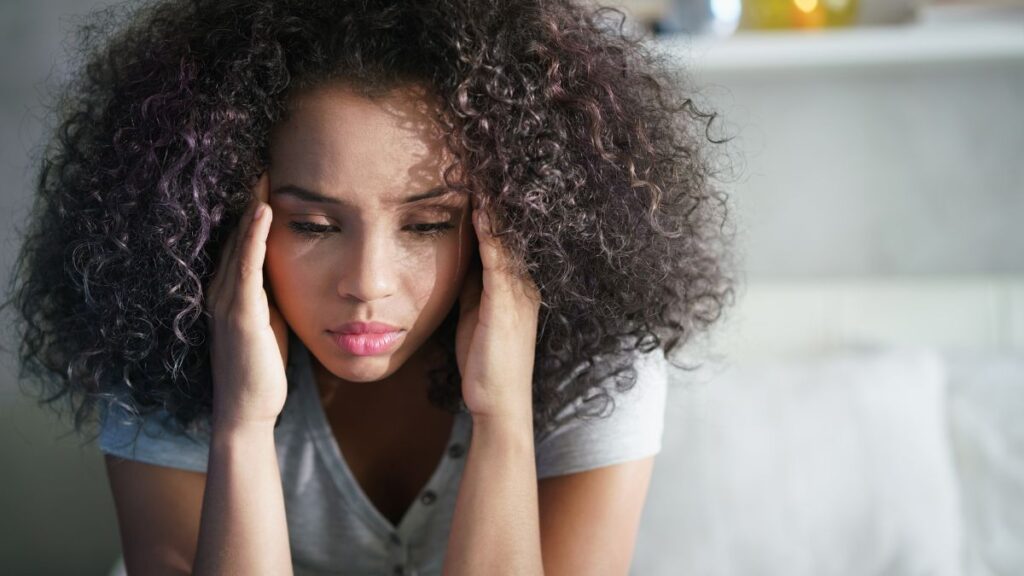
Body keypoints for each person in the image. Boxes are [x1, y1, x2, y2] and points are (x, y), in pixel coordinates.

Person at [5, 0, 736, 574]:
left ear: (510, 223)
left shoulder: (597, 361)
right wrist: (241, 427)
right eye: (314, 225)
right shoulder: (156, 348)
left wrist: (504, 415)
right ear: (221, 212)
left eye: (426, 226)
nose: (367, 285)